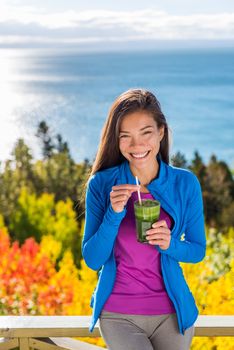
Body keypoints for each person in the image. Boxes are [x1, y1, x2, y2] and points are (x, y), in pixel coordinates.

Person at [82, 89, 206, 350]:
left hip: (172, 313)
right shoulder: (102, 185)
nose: (137, 145)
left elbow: (197, 251)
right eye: (125, 136)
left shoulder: (185, 184)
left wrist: (170, 244)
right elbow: (93, 259)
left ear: (161, 132)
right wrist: (113, 215)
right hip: (118, 314)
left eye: (146, 133)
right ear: (117, 141)